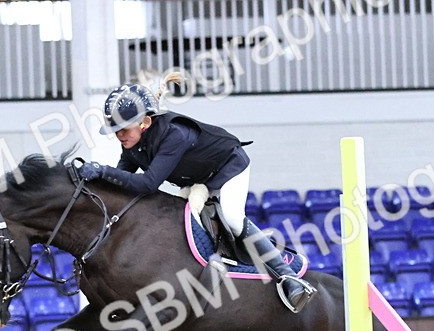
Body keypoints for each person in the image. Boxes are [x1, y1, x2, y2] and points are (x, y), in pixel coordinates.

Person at [77, 75, 316, 313]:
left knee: (232, 218)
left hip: (228, 166)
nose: (119, 135)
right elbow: (123, 182)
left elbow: (148, 184)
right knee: (173, 222)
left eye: (123, 129)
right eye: (115, 130)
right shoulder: (132, 142)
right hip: (198, 179)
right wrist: (93, 180)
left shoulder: (175, 134)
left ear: (145, 123)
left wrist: (102, 170)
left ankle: (288, 277)